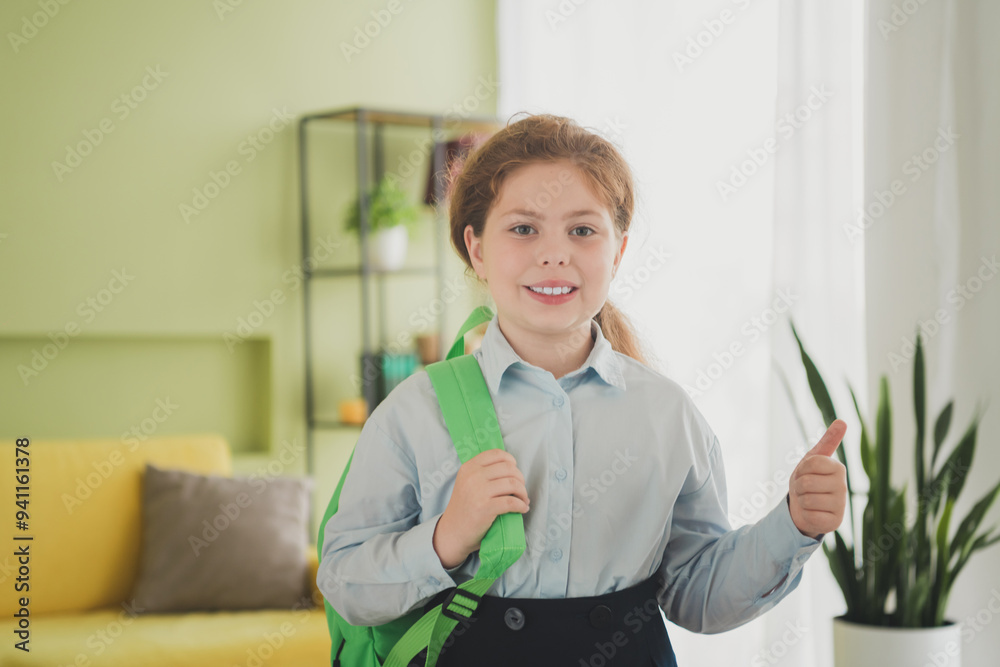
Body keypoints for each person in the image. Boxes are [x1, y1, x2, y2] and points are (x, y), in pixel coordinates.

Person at [317, 112, 848, 666]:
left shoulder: (666, 415)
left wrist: (794, 524)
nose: (554, 254)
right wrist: (446, 538)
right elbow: (345, 583)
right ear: (477, 249)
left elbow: (698, 595)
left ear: (617, 251)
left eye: (583, 230)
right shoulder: (415, 411)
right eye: (523, 228)